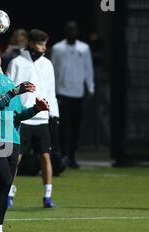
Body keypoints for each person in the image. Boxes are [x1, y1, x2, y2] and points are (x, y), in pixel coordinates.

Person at [0, 47, 49, 232]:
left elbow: (19, 114)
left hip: (13, 139)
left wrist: (36, 109)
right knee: (5, 181)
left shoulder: (8, 81)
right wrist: (16, 91)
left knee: (4, 187)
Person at [7, 29, 60, 209]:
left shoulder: (47, 64)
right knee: (17, 158)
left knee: (45, 157)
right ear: (30, 44)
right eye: (40, 44)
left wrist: (54, 115)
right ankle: (8, 193)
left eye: (45, 44)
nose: (43, 48)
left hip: (42, 119)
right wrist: (12, 113)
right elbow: (10, 90)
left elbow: (50, 91)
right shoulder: (16, 63)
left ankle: (47, 196)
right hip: (22, 118)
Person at [51, 21, 95, 169]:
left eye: (74, 29)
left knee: (75, 127)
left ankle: (72, 156)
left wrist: (90, 86)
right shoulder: (58, 48)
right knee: (62, 126)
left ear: (77, 31)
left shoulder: (84, 48)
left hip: (77, 92)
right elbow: (53, 69)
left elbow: (88, 68)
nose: (71, 32)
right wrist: (53, 89)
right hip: (62, 92)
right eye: (69, 29)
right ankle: (63, 155)